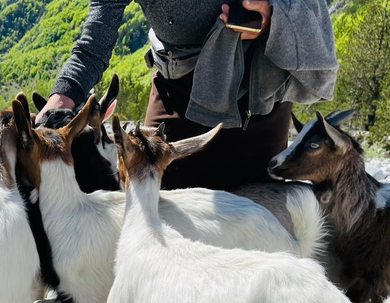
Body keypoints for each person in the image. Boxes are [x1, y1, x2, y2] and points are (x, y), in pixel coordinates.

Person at [36, 0, 339, 191]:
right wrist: (62, 97)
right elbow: (94, 44)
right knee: (157, 216)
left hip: (256, 106)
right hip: (177, 100)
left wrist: (273, 18)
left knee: (253, 231)